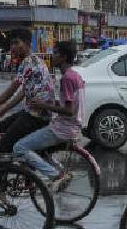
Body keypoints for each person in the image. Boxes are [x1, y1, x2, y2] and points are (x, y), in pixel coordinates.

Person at [13, 41, 84, 190]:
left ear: (64, 57)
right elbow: (69, 104)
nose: (52, 56)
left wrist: (43, 105)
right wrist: (51, 102)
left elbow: (69, 110)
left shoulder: (67, 78)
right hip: (72, 126)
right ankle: (60, 172)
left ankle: (56, 175)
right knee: (38, 149)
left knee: (19, 147)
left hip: (63, 129)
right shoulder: (75, 76)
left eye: (56, 53)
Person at [0, 29, 55, 154]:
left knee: (3, 146)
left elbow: (13, 88)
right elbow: (23, 92)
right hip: (34, 111)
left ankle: (18, 162)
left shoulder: (28, 62)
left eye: (16, 43)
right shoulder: (35, 60)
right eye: (12, 43)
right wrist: (4, 109)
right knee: (2, 126)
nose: (13, 47)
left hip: (37, 115)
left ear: (27, 44)